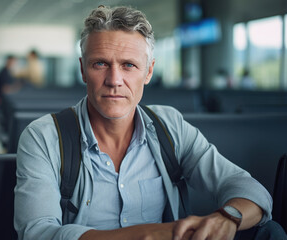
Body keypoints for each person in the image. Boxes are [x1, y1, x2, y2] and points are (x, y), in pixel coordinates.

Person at [14, 5, 282, 240]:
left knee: (271, 232)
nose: (114, 80)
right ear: (83, 69)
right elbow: (38, 232)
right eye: (100, 64)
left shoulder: (170, 127)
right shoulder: (44, 137)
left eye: (129, 65)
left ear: (149, 71)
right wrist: (151, 233)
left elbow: (249, 190)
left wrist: (226, 218)